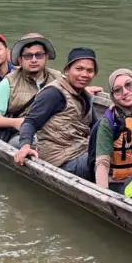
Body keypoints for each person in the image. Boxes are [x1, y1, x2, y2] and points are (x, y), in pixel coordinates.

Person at [13, 47, 99, 179]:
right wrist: (25, 146)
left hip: (80, 150)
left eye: (89, 71)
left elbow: (95, 127)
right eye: (79, 69)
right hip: (60, 160)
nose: (84, 74)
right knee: (105, 162)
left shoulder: (85, 96)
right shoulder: (53, 93)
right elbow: (30, 122)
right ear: (67, 70)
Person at [0, 33, 60, 147]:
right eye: (28, 56)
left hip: (56, 131)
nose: (34, 60)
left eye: (39, 55)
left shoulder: (57, 78)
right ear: (20, 60)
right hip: (23, 135)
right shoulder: (9, 82)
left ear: (46, 57)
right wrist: (16, 122)